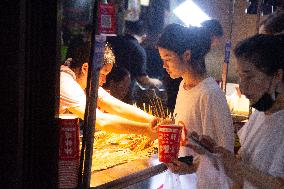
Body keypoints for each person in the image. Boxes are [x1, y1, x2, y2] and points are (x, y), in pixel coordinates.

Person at [152, 24, 234, 189]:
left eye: (168, 59)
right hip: (182, 182)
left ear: (187, 55)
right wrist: (169, 126)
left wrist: (192, 167)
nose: (164, 65)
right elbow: (190, 132)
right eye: (162, 60)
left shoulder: (210, 94)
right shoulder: (184, 85)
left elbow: (225, 154)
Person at [202, 34, 284, 189]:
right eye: (240, 77)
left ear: (277, 76)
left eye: (249, 77)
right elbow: (242, 178)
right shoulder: (259, 115)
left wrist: (236, 165)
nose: (242, 87)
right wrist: (216, 156)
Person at [60, 42, 157, 139]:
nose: (104, 80)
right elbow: (100, 120)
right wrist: (146, 130)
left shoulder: (85, 82)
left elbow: (116, 106)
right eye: (102, 74)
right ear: (86, 68)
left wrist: (153, 120)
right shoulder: (66, 82)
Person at [107, 20, 163, 102]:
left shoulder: (114, 40)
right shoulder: (139, 50)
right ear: (144, 37)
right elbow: (142, 79)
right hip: (123, 94)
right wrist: (158, 82)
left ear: (128, 30)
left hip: (105, 86)